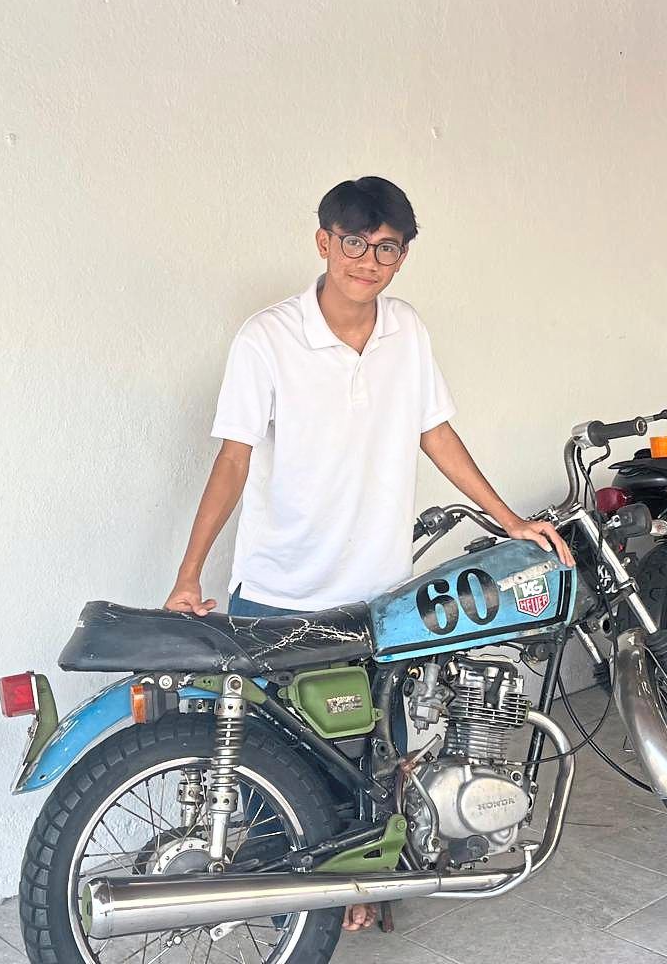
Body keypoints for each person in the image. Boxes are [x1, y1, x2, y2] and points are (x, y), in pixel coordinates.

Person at [165, 176, 574, 931]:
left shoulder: (406, 331)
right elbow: (233, 459)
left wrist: (510, 519)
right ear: (324, 242)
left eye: (388, 247)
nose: (369, 260)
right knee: (273, 766)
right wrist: (189, 575)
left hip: (377, 595)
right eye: (355, 242)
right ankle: (292, 914)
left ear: (403, 255)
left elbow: (434, 431)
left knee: (372, 752)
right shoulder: (267, 338)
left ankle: (356, 884)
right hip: (280, 588)